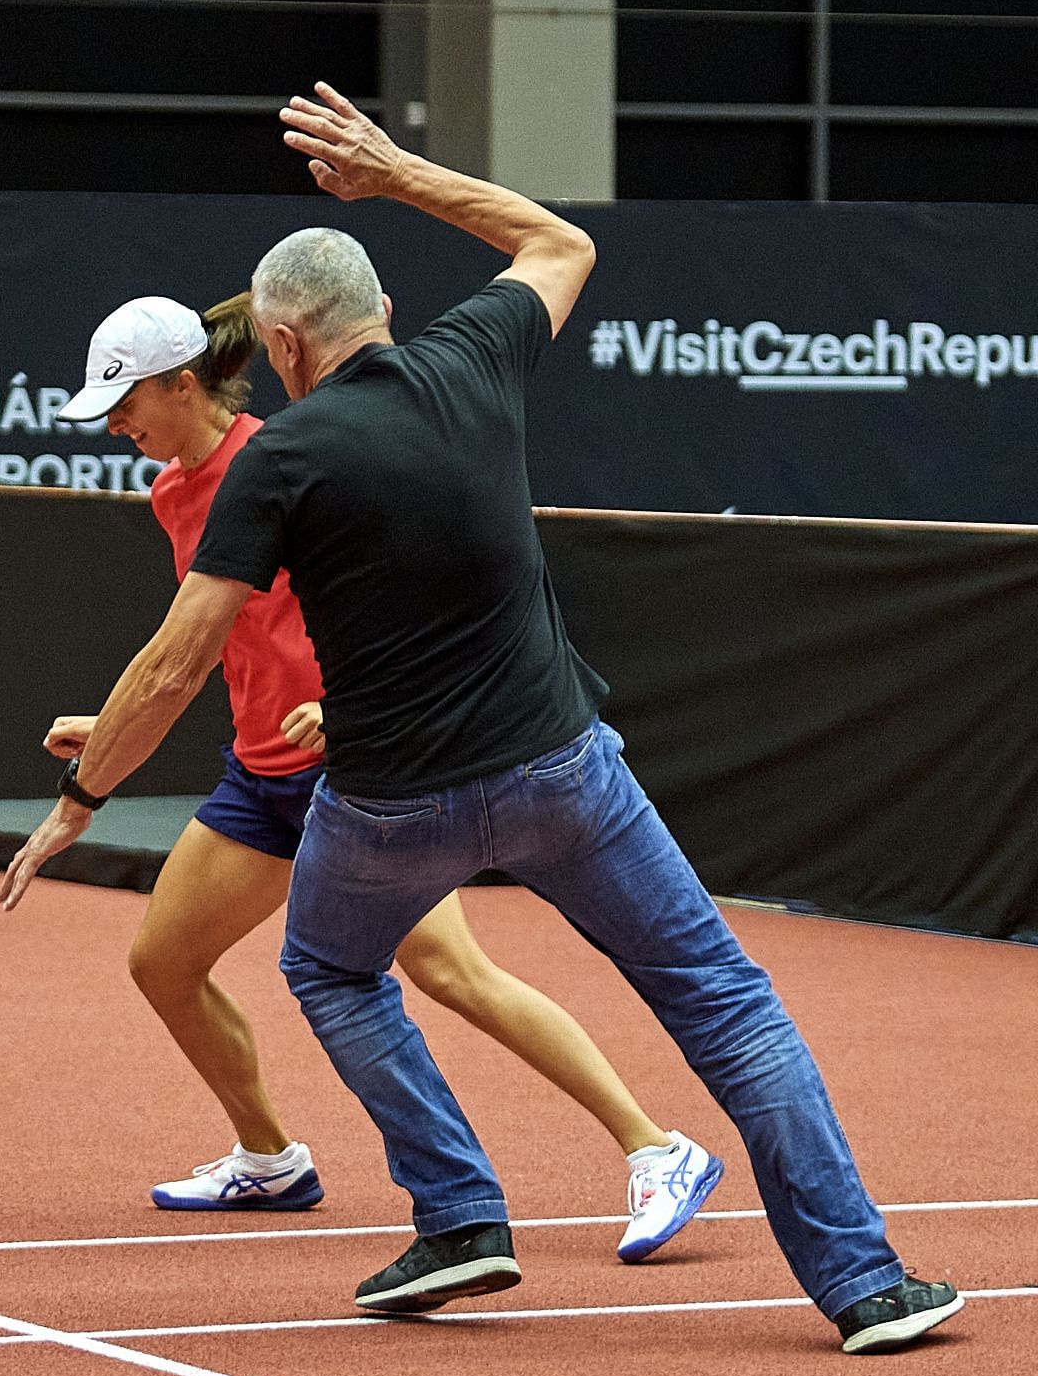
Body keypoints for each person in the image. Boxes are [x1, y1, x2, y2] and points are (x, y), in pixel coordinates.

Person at [0, 83, 962, 1356]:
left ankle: (461, 1216)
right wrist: (396, 171)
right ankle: (867, 1290)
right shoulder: (477, 354)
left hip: (391, 803)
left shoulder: (276, 462)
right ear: (385, 314)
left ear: (280, 350)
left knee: (331, 969)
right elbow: (561, 242)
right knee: (726, 1003)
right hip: (561, 776)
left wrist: (81, 803)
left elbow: (176, 663)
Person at [42, 290, 721, 1263]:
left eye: (124, 404)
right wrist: (111, 728)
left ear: (181, 385)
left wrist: (347, 708)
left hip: (352, 771)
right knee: (163, 962)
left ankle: (657, 1148)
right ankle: (269, 1158)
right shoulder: (169, 493)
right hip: (261, 776)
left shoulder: (279, 463)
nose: (113, 425)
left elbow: (360, 596)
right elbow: (219, 641)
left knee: (449, 969)